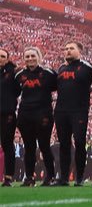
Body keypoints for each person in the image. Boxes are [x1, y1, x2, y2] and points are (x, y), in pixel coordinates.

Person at [54, 41, 92, 186]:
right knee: (64, 144)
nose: (68, 51)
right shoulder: (61, 68)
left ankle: (80, 177)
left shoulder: (87, 67)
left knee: (79, 142)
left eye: (71, 48)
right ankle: (64, 178)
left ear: (80, 51)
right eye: (66, 49)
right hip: (61, 111)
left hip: (79, 111)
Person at [15, 47, 57, 186]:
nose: (30, 58)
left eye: (33, 55)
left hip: (43, 114)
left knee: (44, 145)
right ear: (24, 58)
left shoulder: (48, 73)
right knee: (29, 147)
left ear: (39, 57)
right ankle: (29, 178)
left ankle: (50, 176)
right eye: (27, 56)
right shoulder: (19, 75)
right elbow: (13, 92)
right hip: (25, 114)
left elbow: (61, 86)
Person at [1, 49, 17, 187]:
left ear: (7, 59)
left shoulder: (12, 73)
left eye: (2, 56)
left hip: (7, 113)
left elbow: (18, 90)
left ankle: (8, 176)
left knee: (7, 144)